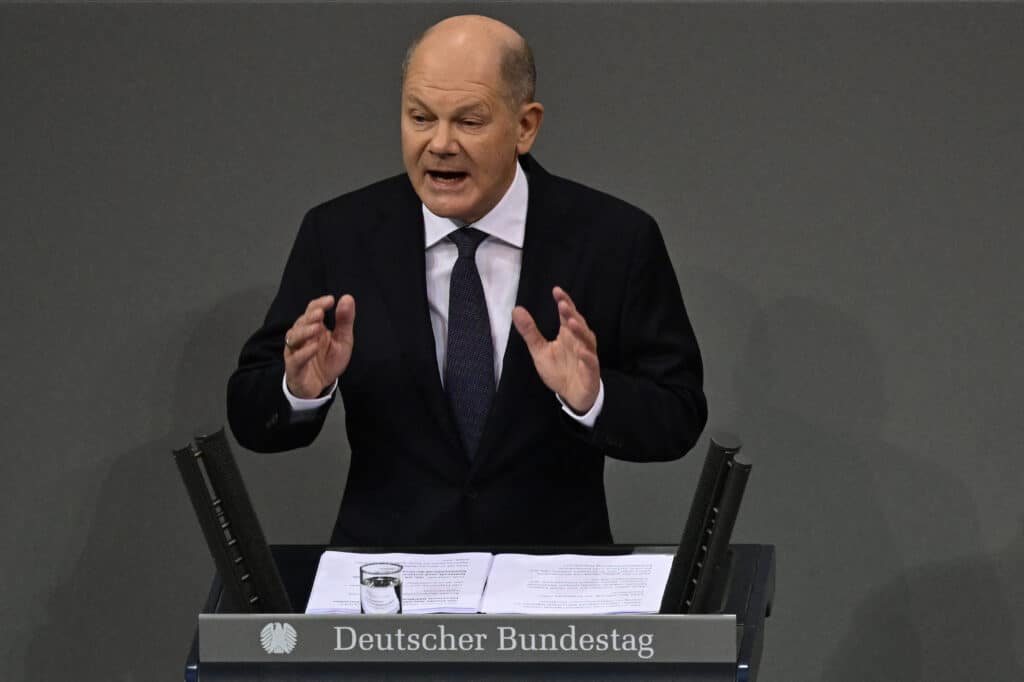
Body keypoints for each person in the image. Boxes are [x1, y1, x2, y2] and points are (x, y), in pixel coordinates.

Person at [227, 15, 707, 546]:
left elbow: (678, 414)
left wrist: (592, 397)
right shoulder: (340, 235)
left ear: (525, 126)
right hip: (388, 591)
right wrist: (301, 388)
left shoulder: (614, 240)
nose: (440, 143)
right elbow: (251, 414)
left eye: (469, 121)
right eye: (420, 117)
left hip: (549, 593)